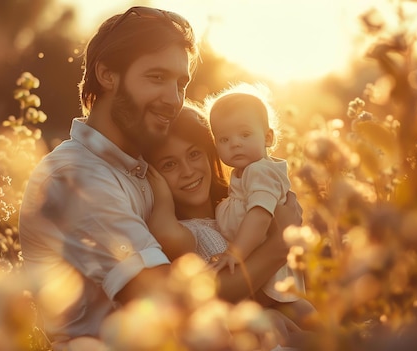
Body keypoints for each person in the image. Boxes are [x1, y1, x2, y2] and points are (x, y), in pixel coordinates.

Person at [18, 5, 304, 349]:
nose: (173, 99)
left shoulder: (140, 164)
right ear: (108, 75)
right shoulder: (75, 177)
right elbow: (173, 302)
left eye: (180, 83)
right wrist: (279, 247)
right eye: (156, 77)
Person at [144, 102, 316, 329]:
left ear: (210, 153)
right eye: (169, 165)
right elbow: (165, 231)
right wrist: (159, 192)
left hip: (286, 303)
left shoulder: (235, 207)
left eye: (194, 154)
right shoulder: (186, 232)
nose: (187, 171)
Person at [205, 83, 314, 314]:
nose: (234, 143)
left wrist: (235, 253)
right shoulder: (244, 173)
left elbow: (260, 215)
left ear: (268, 137)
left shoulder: (260, 171)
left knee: (304, 321)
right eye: (224, 139)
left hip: (272, 278)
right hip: (264, 276)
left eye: (244, 134)